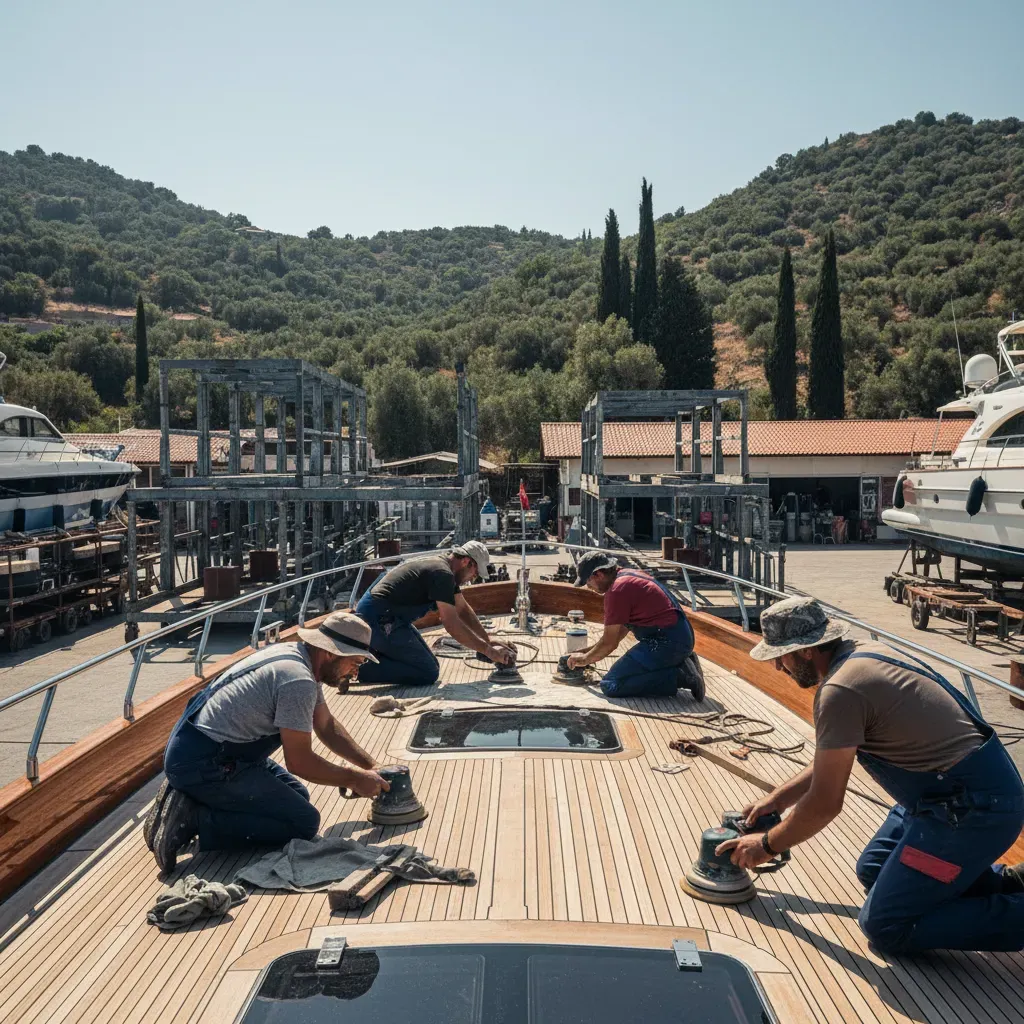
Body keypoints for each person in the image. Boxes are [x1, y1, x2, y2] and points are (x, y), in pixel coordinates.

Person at [717, 595, 1024, 954]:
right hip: (944, 797)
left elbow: (824, 804)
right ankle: (1006, 884)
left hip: (972, 811)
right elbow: (835, 754)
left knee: (888, 926)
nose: (777, 668)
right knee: (874, 870)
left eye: (780, 656)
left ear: (805, 651)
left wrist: (766, 845)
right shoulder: (859, 653)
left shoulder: (840, 691)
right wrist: (779, 799)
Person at [148, 612, 391, 872]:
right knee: (302, 822)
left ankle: (195, 799)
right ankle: (193, 821)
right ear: (331, 653)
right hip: (204, 761)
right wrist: (354, 779)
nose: (355, 672)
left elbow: (326, 727)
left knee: (298, 796)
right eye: (354, 662)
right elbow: (300, 762)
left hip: (208, 747)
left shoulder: (301, 658)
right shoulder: (297, 681)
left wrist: (370, 766)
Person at [355, 541, 513, 686]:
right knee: (427, 672)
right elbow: (451, 624)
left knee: (431, 664)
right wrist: (489, 652)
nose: (473, 578)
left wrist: (487, 641)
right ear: (466, 561)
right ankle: (356, 671)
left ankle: (373, 654)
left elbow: (463, 610)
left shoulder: (445, 569)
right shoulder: (442, 574)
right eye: (475, 573)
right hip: (377, 619)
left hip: (388, 617)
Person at [567, 551, 703, 701]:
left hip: (667, 643)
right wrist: (587, 652)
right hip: (678, 637)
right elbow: (618, 634)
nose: (588, 587)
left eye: (588, 582)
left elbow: (609, 643)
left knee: (611, 684)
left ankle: (682, 676)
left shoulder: (617, 591)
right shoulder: (626, 576)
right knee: (624, 675)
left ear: (598, 574)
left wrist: (584, 660)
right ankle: (683, 660)